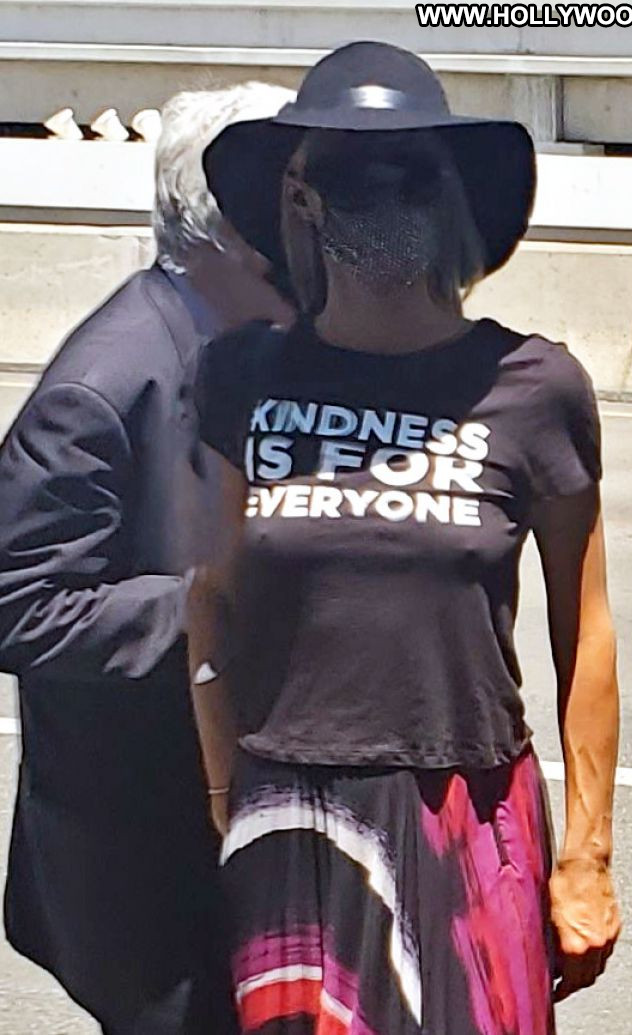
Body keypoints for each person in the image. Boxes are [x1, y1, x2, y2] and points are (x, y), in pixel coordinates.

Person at [191, 42, 621, 1035]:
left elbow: (587, 625)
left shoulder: (533, 387)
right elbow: (208, 593)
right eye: (346, 173)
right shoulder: (241, 377)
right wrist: (221, 789)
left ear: (450, 194)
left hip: (466, 815)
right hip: (288, 814)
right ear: (301, 200)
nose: (377, 194)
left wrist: (587, 854)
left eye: (408, 170)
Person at [0, 82, 295, 1035]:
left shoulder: (254, 350)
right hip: (141, 863)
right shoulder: (105, 383)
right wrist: (217, 602)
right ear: (235, 227)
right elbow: (23, 605)